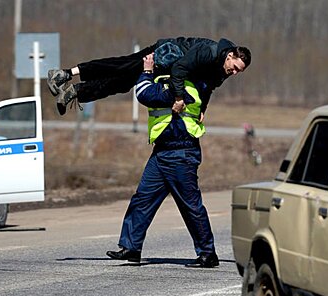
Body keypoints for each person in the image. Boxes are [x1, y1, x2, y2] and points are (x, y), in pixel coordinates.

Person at [106, 53, 221, 268]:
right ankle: (131, 248)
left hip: (182, 153)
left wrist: (147, 72)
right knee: (142, 199)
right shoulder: (184, 83)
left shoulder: (184, 86)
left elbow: (145, 95)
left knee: (191, 207)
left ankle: (208, 253)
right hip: (161, 152)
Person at [47, 37, 250, 115]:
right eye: (235, 67)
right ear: (230, 55)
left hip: (166, 67)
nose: (234, 72)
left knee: (119, 84)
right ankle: (65, 74)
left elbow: (207, 88)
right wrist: (179, 98)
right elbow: (180, 69)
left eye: (238, 72)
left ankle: (74, 92)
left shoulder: (222, 70)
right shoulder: (209, 52)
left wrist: (203, 110)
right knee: (122, 67)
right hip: (163, 54)